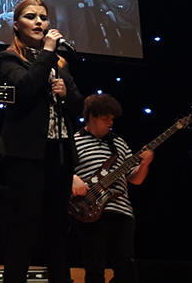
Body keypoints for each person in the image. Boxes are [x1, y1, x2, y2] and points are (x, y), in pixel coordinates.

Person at [0, 0, 84, 283]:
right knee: (25, 228)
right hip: (25, 155)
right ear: (16, 25)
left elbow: (80, 108)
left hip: (59, 153)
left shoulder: (60, 63)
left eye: (43, 18)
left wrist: (66, 93)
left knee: (58, 230)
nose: (39, 22)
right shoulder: (8, 59)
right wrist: (46, 53)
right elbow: (24, 92)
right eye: (31, 17)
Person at [71, 94, 154, 283]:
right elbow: (60, 172)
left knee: (126, 270)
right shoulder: (73, 141)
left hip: (122, 212)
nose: (110, 123)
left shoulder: (120, 143)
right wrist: (73, 178)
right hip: (90, 211)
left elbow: (135, 180)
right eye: (105, 118)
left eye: (112, 118)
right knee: (94, 269)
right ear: (92, 116)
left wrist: (144, 165)